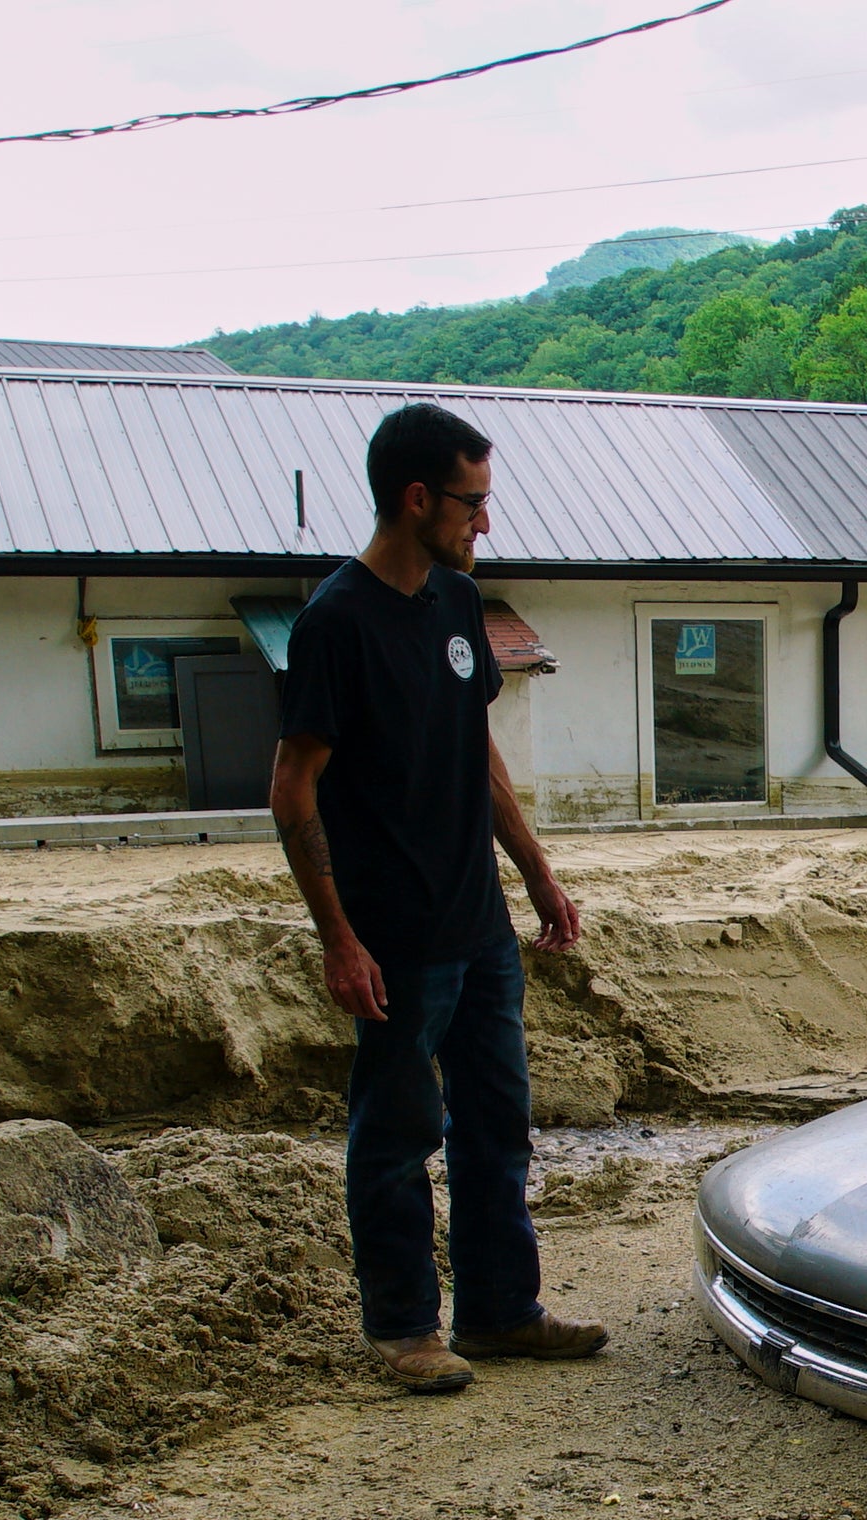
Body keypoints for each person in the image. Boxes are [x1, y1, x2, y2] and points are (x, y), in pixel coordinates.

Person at [270, 401, 607, 1394]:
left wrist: (537, 872)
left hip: (479, 928)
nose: (484, 523)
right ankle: (404, 1327)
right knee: (397, 1132)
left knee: (496, 1124)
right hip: (396, 940)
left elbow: (479, 754)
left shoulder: (461, 609)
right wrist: (337, 937)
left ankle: (501, 1311)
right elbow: (292, 787)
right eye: (472, 503)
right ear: (416, 499)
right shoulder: (334, 623)